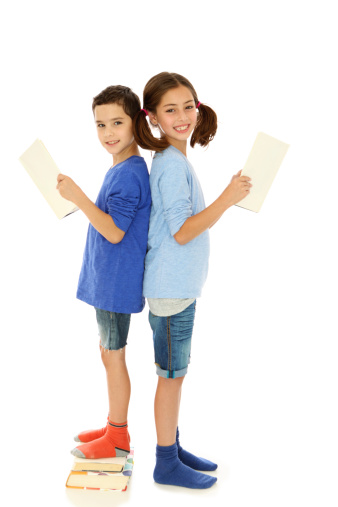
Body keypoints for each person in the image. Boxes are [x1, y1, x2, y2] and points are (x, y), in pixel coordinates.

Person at [132, 72, 252, 489]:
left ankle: (173, 446)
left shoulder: (176, 160)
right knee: (171, 375)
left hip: (178, 288)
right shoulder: (168, 165)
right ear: (153, 118)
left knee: (175, 372)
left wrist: (227, 199)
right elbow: (183, 231)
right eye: (171, 110)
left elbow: (184, 228)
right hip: (169, 292)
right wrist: (227, 198)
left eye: (188, 106)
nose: (183, 116)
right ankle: (165, 462)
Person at [57, 85, 151, 460]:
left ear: (135, 122)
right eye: (100, 125)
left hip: (115, 284)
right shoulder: (121, 167)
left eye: (116, 122)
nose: (108, 133)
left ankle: (117, 436)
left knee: (113, 356)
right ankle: (114, 424)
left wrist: (78, 198)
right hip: (107, 281)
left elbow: (113, 231)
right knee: (107, 352)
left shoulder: (129, 173)